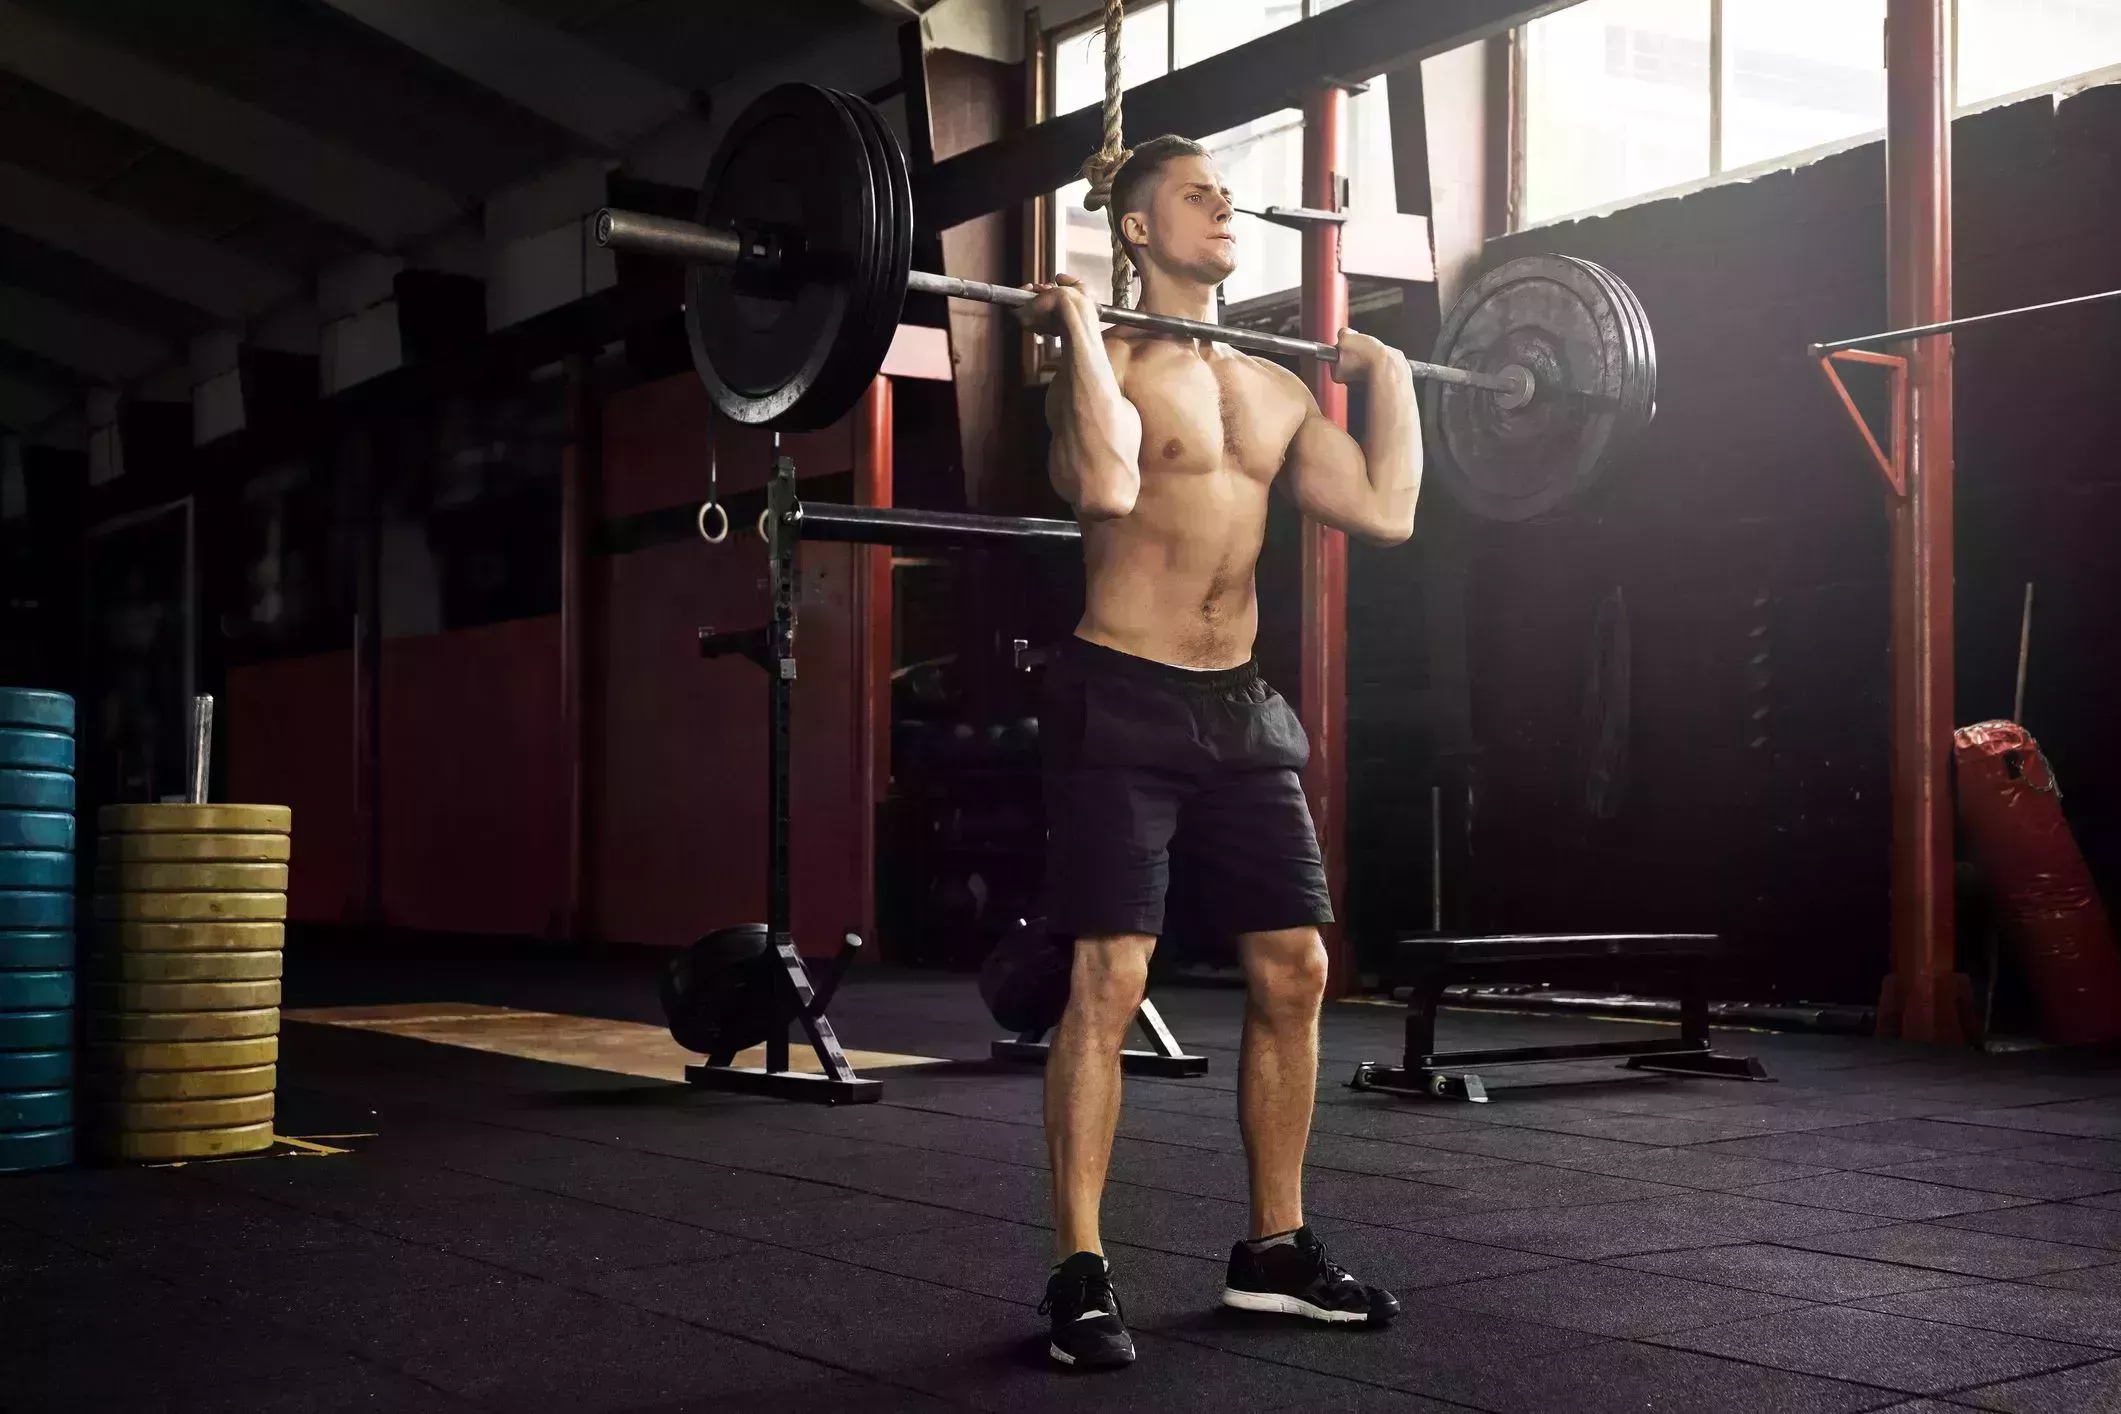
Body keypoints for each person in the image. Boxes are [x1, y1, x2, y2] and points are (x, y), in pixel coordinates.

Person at [1010, 134, 1423, 1371]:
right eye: (1197, 195)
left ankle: (1274, 1252)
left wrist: (1389, 373)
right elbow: (1101, 488)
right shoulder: (1112, 362)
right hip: (1122, 694)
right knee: (1109, 978)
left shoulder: (1278, 385)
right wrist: (1081, 332)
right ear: (1139, 231)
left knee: (1296, 966)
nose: (1224, 208)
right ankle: (1081, 1270)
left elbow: (1387, 512)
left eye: (1225, 194)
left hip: (1241, 704)